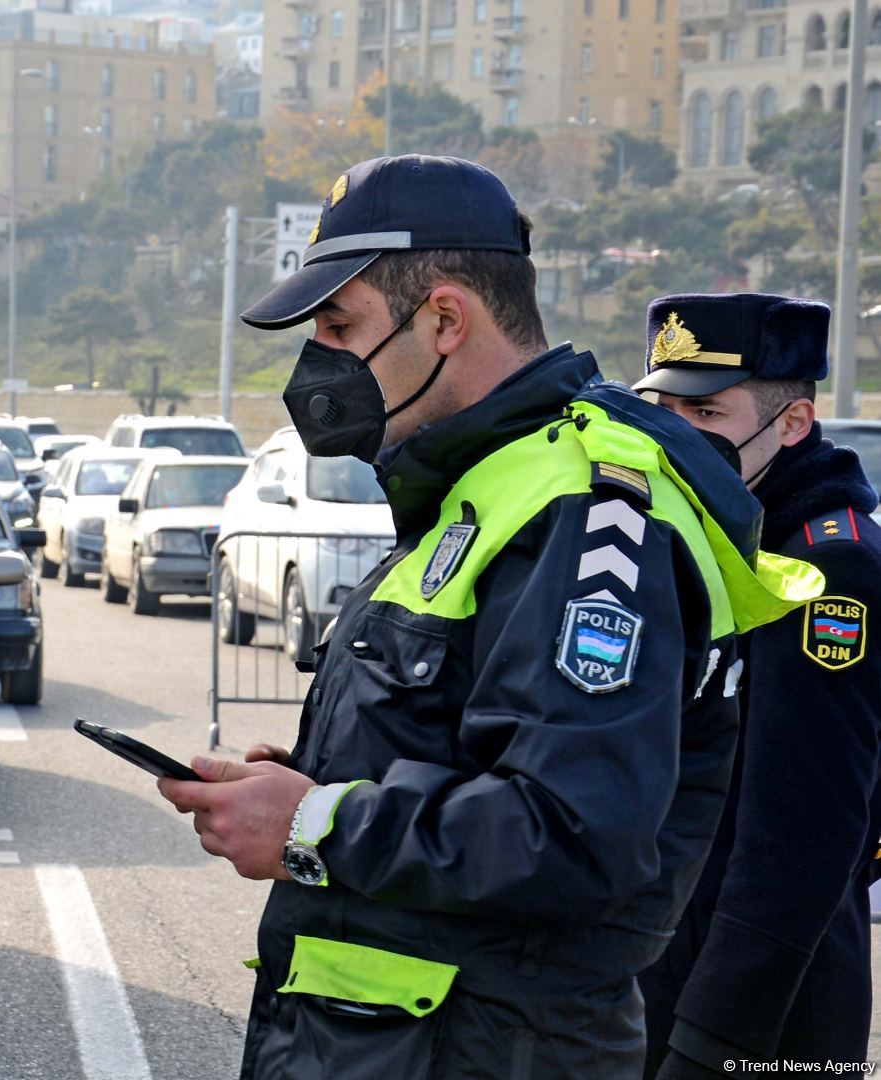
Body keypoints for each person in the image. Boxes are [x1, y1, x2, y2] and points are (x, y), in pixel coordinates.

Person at [155, 155, 822, 1077]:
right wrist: (314, 781)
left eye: (340, 326)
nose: (320, 360)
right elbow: (461, 739)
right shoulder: (480, 483)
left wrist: (317, 822)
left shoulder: (586, 510)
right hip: (390, 1043)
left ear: (443, 319)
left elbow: (574, 833)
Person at [632, 294, 881, 1077]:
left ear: (792, 423)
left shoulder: (825, 566)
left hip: (759, 1007)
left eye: (706, 412)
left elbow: (803, 834)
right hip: (668, 966)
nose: (677, 433)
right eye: (664, 409)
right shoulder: (711, 531)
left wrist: (712, 1043)